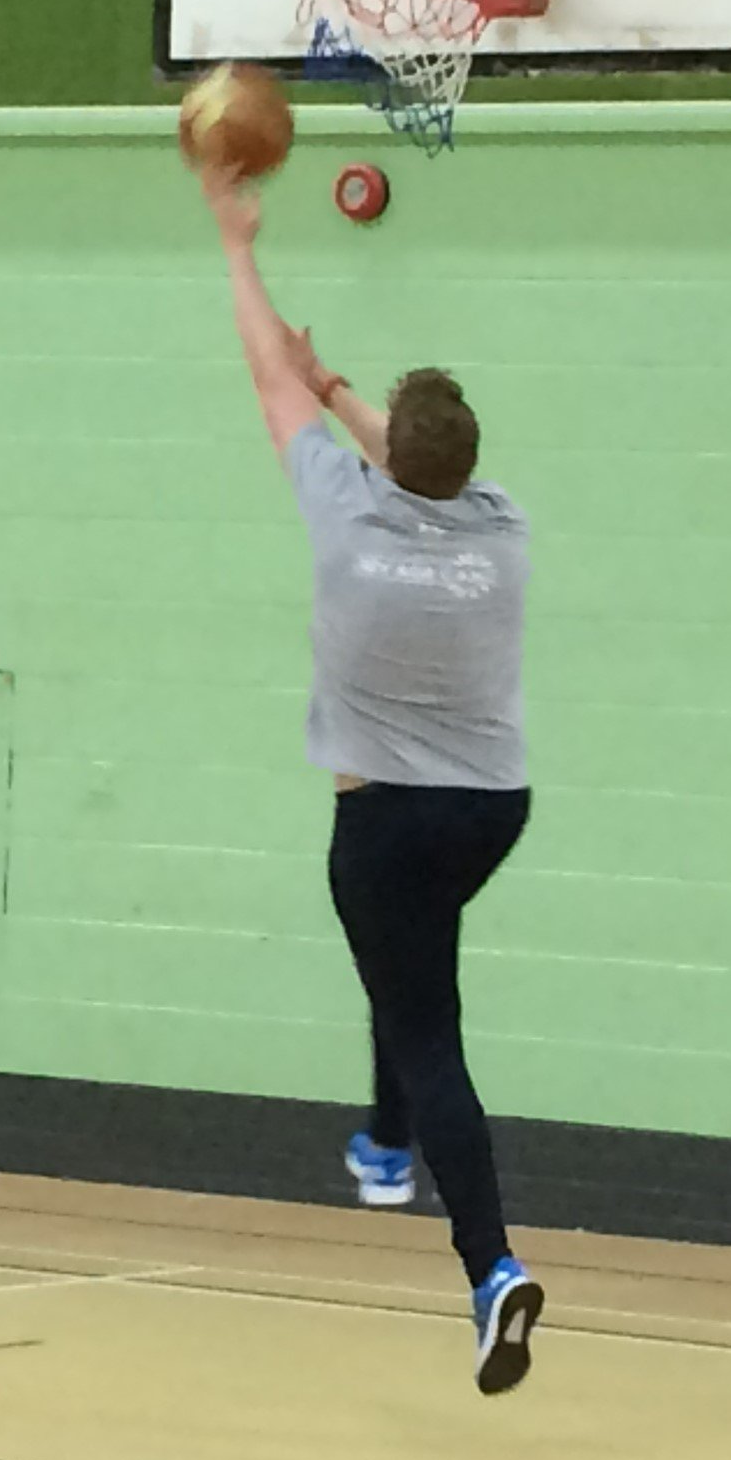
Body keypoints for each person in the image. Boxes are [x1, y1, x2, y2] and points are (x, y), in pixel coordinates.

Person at [200, 170, 543, 1394]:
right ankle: (385, 1142)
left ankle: (490, 1265)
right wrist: (333, 376)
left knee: (423, 1025)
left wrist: (239, 248)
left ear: (387, 458)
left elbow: (261, 379)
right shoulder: (499, 526)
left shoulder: (348, 523)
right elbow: (399, 451)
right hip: (488, 811)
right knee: (413, 965)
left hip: (384, 820)